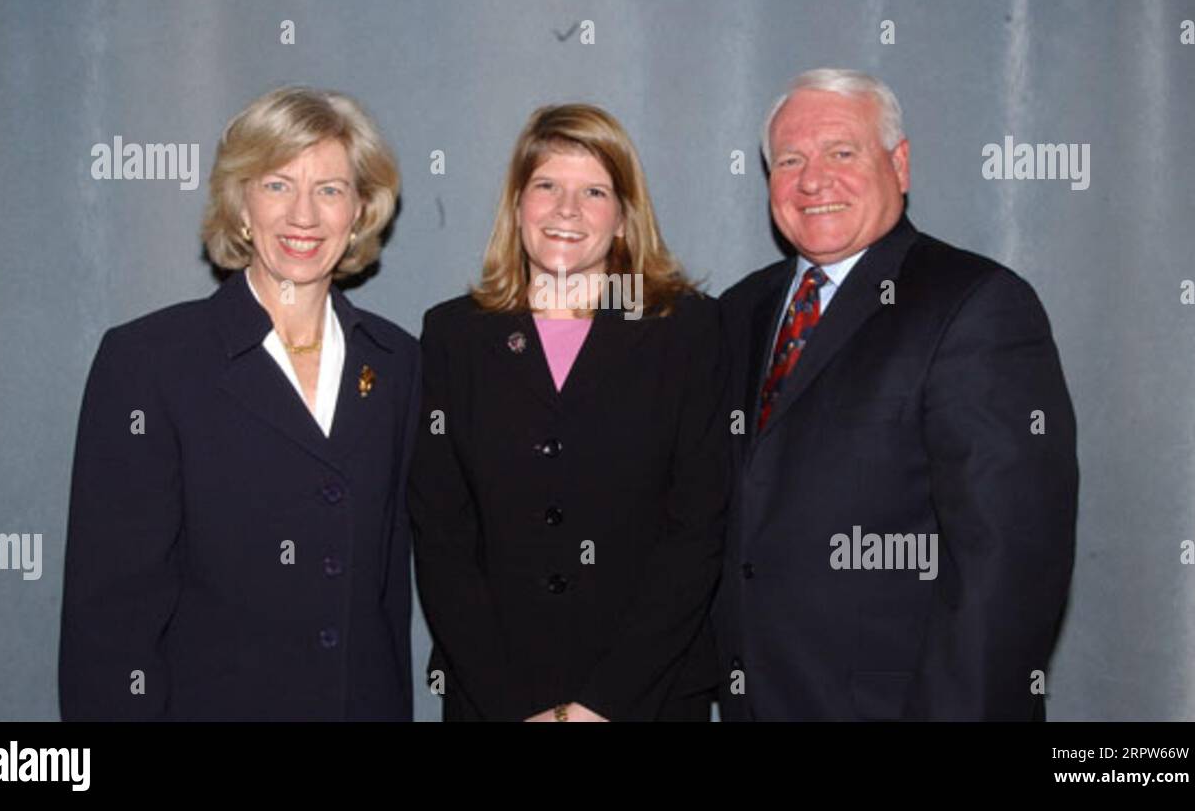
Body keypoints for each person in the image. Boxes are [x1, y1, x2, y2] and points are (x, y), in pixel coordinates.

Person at [714, 68, 1078, 721]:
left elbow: (1006, 568)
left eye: (842, 152)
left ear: (900, 165)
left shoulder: (976, 306)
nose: (813, 178)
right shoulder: (737, 313)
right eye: (790, 159)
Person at [59, 87, 419, 720]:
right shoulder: (149, 363)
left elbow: (388, 601)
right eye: (278, 185)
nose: (303, 216)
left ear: (361, 212)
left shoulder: (396, 365)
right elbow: (109, 621)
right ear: (241, 204)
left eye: (330, 190)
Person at [410, 103, 727, 721]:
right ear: (518, 205)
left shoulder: (686, 332)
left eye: (594, 191)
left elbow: (698, 530)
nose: (566, 209)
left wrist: (602, 705)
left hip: (649, 695)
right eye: (547, 186)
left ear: (624, 219)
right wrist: (512, 706)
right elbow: (442, 537)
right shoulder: (455, 336)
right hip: (493, 697)